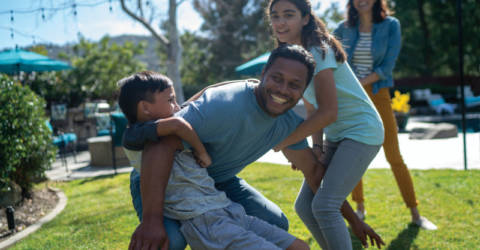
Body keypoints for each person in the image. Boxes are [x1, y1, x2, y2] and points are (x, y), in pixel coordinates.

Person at [128, 45, 383, 250]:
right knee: (169, 241)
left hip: (217, 183)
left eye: (294, 85)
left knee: (275, 222)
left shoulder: (288, 125)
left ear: (303, 90)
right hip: (162, 178)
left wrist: (354, 221)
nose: (283, 89)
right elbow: (158, 145)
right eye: (277, 78)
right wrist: (151, 220)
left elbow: (315, 174)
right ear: (263, 75)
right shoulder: (223, 105)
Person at [118, 71, 309, 250]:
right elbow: (178, 124)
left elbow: (194, 105)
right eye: (171, 100)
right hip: (204, 221)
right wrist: (202, 152)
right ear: (145, 108)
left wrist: (246, 85)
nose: (178, 107)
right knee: (171, 241)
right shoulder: (134, 136)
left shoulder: (166, 125)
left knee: (300, 246)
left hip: (224, 207)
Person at [266, 0, 386, 249]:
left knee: (324, 205)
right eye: (275, 16)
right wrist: (317, 148)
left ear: (306, 18)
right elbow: (312, 106)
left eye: (288, 15)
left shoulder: (318, 50)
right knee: (305, 207)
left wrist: (285, 142)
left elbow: (329, 112)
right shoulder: (294, 55)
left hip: (361, 130)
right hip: (336, 135)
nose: (280, 22)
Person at [334, 0, 437, 230]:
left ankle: (415, 214)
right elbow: (333, 60)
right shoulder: (342, 29)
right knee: (350, 153)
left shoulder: (391, 25)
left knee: (394, 154)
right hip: (351, 97)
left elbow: (386, 68)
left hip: (378, 93)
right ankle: (359, 208)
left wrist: (359, 84)